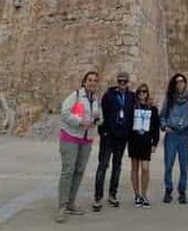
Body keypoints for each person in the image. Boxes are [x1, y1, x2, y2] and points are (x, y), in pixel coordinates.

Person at [55, 71, 103, 223]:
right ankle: (62, 207)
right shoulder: (75, 95)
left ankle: (71, 202)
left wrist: (97, 120)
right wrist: (81, 122)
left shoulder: (95, 99)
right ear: (84, 82)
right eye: (90, 80)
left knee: (79, 171)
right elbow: (64, 113)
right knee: (68, 171)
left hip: (86, 139)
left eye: (95, 81)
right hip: (70, 137)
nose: (92, 83)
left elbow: (100, 118)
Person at [93, 71, 135, 211]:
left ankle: (112, 195)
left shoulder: (131, 97)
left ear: (128, 82)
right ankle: (98, 197)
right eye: (120, 81)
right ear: (117, 82)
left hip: (122, 137)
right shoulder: (109, 95)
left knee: (117, 166)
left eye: (124, 81)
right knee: (103, 165)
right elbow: (102, 113)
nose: (122, 84)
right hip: (108, 137)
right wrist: (103, 131)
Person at [160, 73, 188, 204]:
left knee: (184, 166)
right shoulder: (169, 99)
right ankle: (168, 190)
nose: (180, 84)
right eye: (177, 81)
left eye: (182, 81)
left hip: (184, 135)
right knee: (168, 165)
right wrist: (164, 126)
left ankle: (182, 191)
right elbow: (162, 116)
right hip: (172, 135)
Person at [129, 84, 160, 207]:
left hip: (146, 142)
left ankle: (144, 195)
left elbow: (156, 128)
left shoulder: (152, 108)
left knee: (145, 169)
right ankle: (137, 195)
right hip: (134, 141)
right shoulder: (133, 107)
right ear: (137, 94)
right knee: (135, 168)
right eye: (140, 92)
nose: (142, 94)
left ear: (147, 93)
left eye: (144, 92)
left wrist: (155, 143)